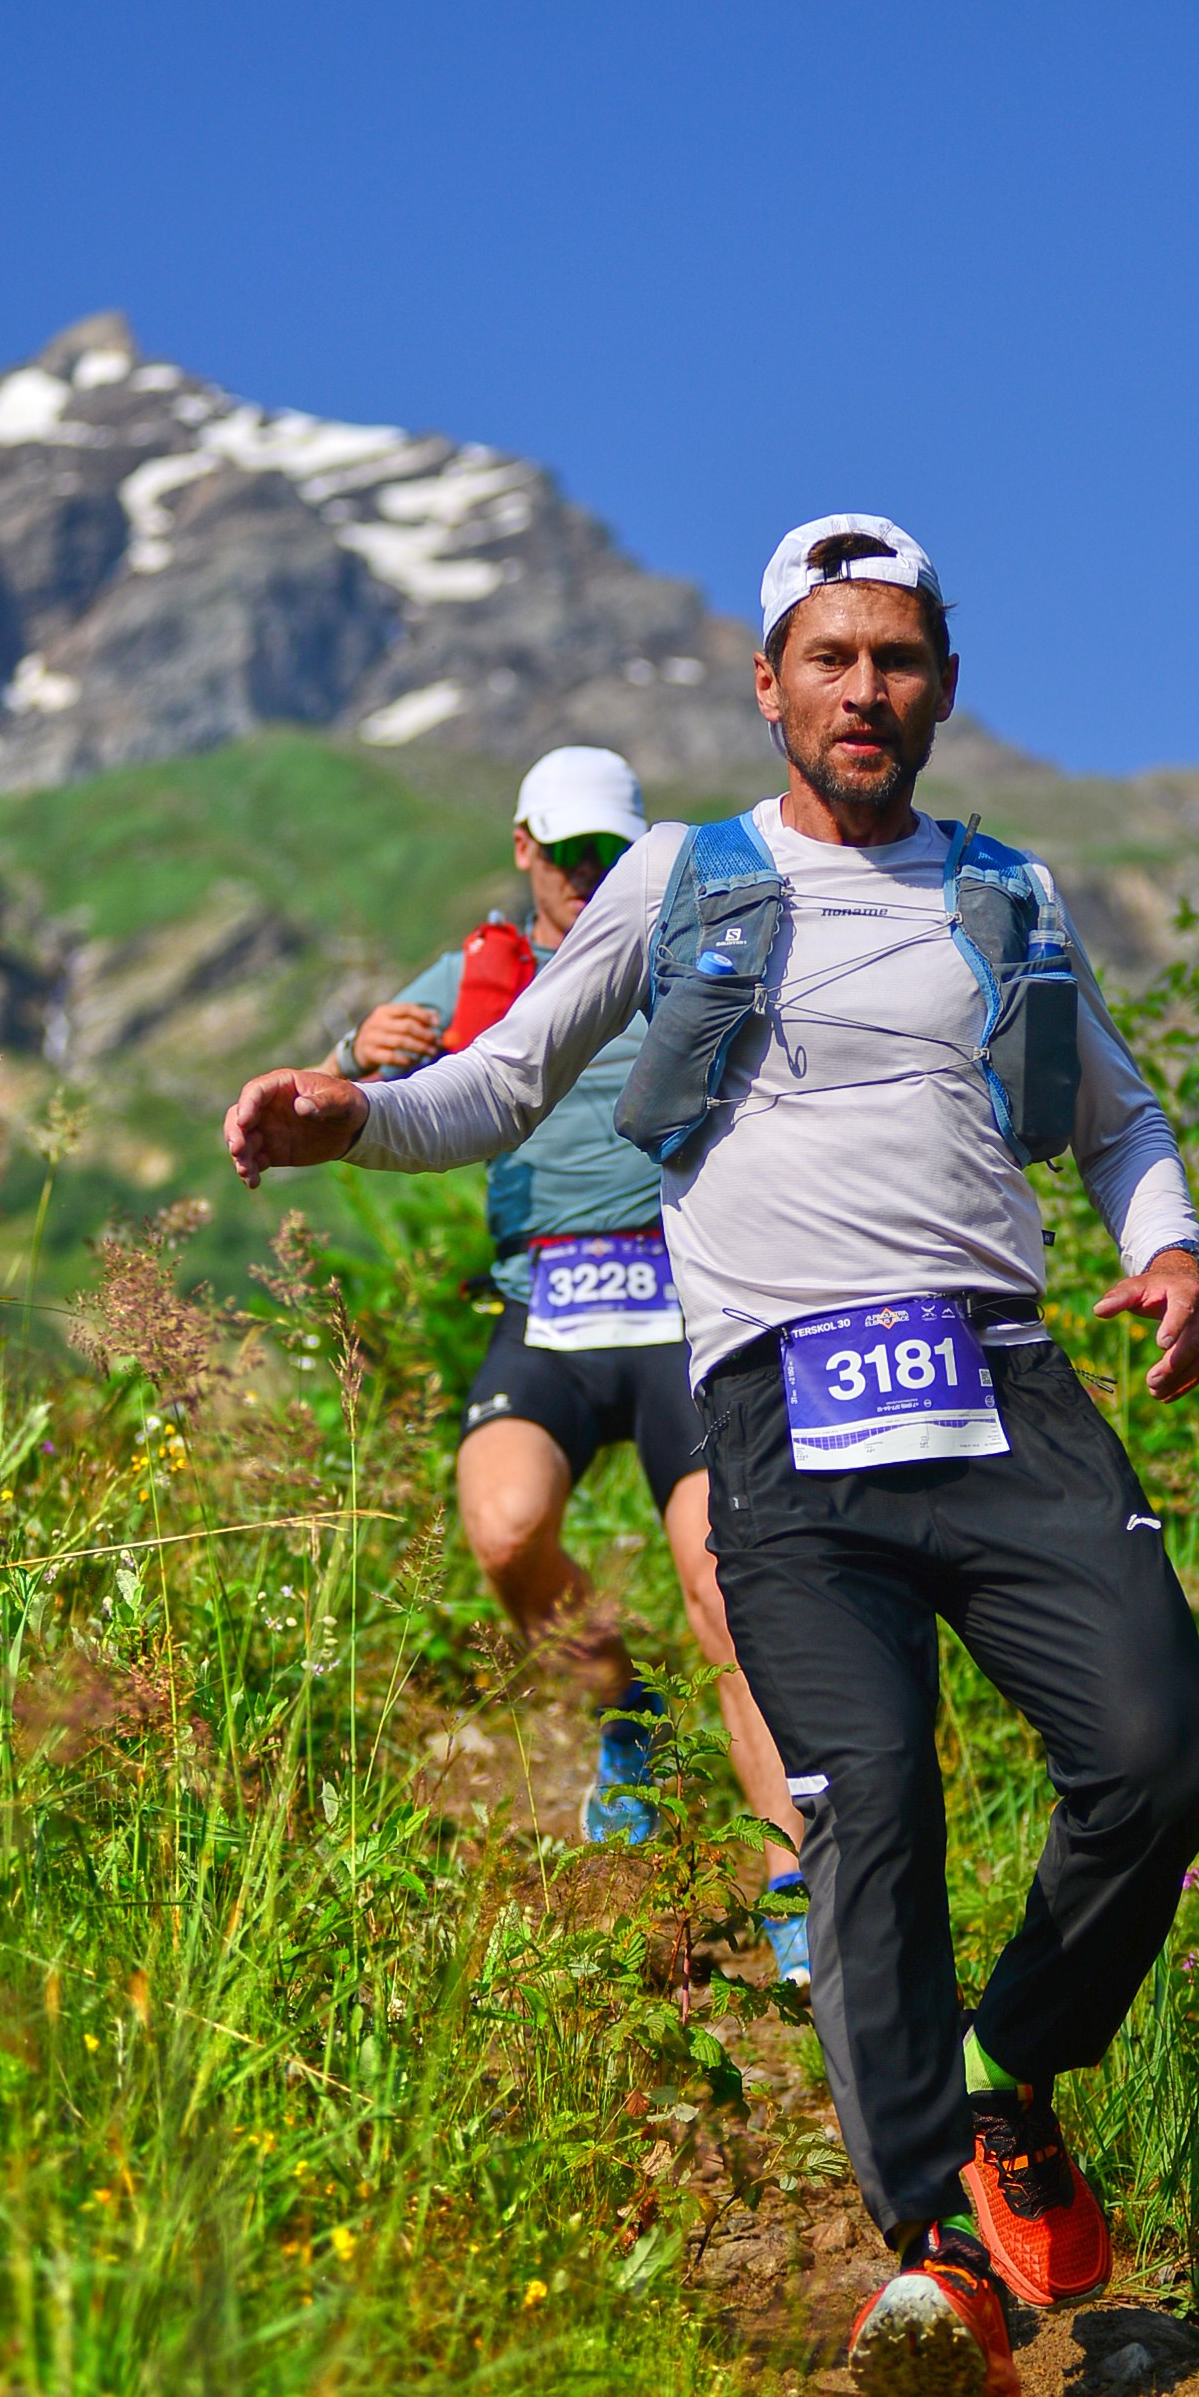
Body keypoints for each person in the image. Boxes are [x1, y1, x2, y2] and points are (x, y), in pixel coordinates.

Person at [224, 518, 1199, 2397]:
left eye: (900, 660)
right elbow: (502, 1083)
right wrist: (352, 1113)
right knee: (869, 1808)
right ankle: (933, 2243)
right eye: (829, 659)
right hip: (780, 1417)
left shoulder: (1001, 894)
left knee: (1152, 1755)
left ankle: (1010, 2073)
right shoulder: (681, 879)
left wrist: (1164, 1242)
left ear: (940, 684)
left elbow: (1120, 1114)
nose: (867, 691)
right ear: (765, 684)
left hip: (1003, 1388)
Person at [325, 743, 807, 1975]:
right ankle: (621, 1706)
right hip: (545, 1303)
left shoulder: (691, 947)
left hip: (683, 1304)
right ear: (525, 846)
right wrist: (352, 1056)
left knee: (724, 1593)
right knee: (500, 1529)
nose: (594, 876)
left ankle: (797, 1885)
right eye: (573, 852)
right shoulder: (472, 975)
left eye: (617, 853)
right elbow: (359, 1092)